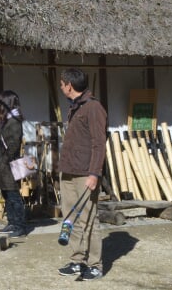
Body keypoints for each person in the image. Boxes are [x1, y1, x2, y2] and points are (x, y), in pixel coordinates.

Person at [57, 68, 108, 281]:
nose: (61, 87)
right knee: (71, 217)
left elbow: (99, 143)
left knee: (88, 218)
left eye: (62, 84)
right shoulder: (75, 107)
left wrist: (94, 173)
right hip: (69, 170)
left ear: (69, 85)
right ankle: (78, 260)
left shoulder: (93, 107)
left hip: (85, 173)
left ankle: (95, 264)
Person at [0, 90, 27, 238]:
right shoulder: (8, 119)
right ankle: (12, 222)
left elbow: (13, 145)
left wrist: (3, 160)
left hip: (9, 164)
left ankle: (20, 226)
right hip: (4, 164)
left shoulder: (14, 121)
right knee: (7, 194)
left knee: (13, 195)